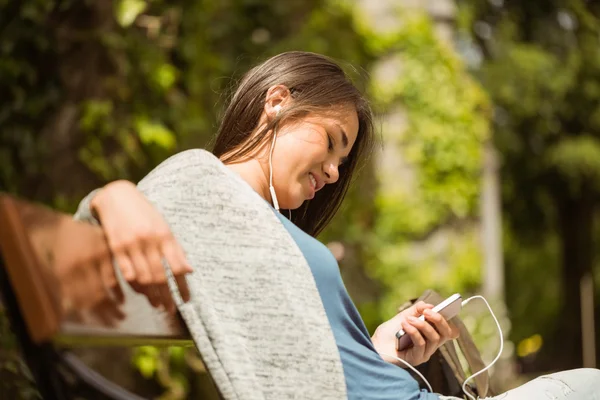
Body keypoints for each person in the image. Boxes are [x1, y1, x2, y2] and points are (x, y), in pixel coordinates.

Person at [79, 51, 599, 399]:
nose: (332, 173)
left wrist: (383, 352)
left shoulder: (264, 222)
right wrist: (113, 195)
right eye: (331, 143)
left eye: (341, 163)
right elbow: (93, 238)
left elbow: (316, 363)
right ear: (278, 101)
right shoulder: (203, 179)